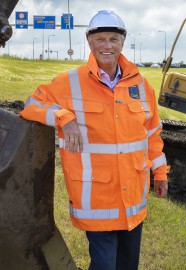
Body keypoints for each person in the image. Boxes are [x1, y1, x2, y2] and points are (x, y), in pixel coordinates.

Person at [20, 10, 169, 270]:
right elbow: (32, 105)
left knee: (127, 264)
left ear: (123, 42)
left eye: (113, 39)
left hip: (133, 200)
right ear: (89, 41)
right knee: (104, 265)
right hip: (97, 200)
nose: (107, 45)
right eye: (100, 39)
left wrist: (160, 173)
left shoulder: (143, 86)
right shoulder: (69, 82)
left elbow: (152, 134)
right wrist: (64, 117)